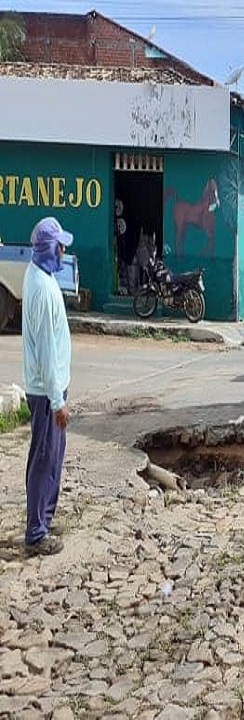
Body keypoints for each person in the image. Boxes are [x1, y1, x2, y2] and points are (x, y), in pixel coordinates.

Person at [22, 217, 74, 557]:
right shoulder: (41, 289)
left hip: (50, 389)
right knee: (44, 459)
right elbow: (46, 350)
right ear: (47, 249)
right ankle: (36, 533)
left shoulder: (39, 275)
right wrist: (58, 401)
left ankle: (45, 519)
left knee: (53, 455)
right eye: (59, 245)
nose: (64, 250)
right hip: (46, 392)